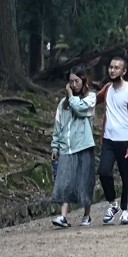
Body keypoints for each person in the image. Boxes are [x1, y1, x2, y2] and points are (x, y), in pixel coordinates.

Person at [48, 67, 97, 228]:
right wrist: (55, 147)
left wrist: (70, 96)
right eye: (71, 82)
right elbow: (58, 125)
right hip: (67, 147)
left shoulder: (90, 98)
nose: (74, 85)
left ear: (84, 82)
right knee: (64, 181)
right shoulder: (63, 104)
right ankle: (63, 216)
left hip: (84, 146)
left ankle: (87, 215)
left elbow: (81, 109)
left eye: (77, 81)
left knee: (85, 181)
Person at [95, 54, 128, 225]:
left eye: (116, 68)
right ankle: (112, 203)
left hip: (125, 141)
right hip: (108, 140)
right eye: (111, 67)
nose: (112, 70)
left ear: (124, 71)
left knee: (126, 175)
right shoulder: (107, 89)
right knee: (104, 171)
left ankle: (126, 209)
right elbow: (94, 99)